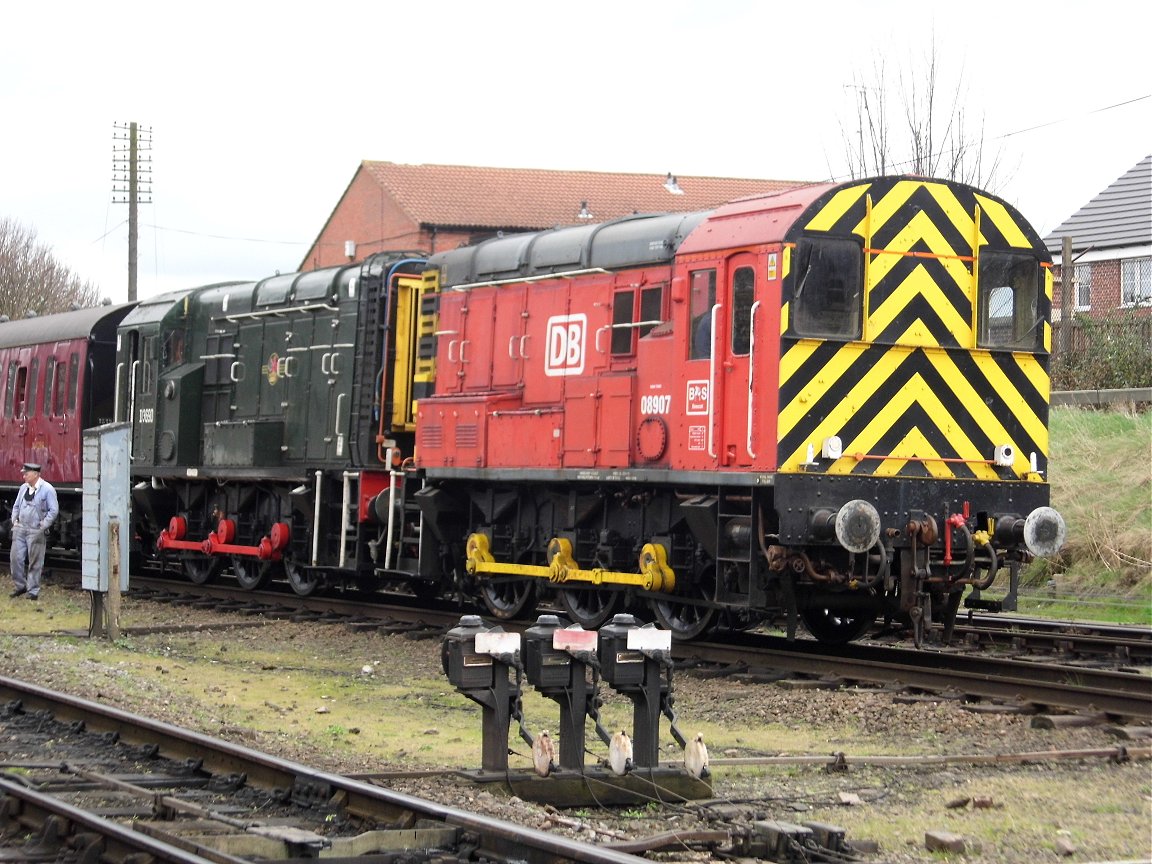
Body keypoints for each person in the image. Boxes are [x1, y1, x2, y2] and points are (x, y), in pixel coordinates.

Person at [9, 463, 58, 601]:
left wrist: (44, 525)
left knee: (35, 561)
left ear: (36, 474)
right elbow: (16, 505)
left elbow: (53, 510)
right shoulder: (23, 488)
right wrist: (14, 520)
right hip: (20, 527)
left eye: (26, 473)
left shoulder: (48, 489)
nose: (24, 476)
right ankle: (20, 586)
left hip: (36, 529)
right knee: (15, 559)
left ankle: (33, 591)